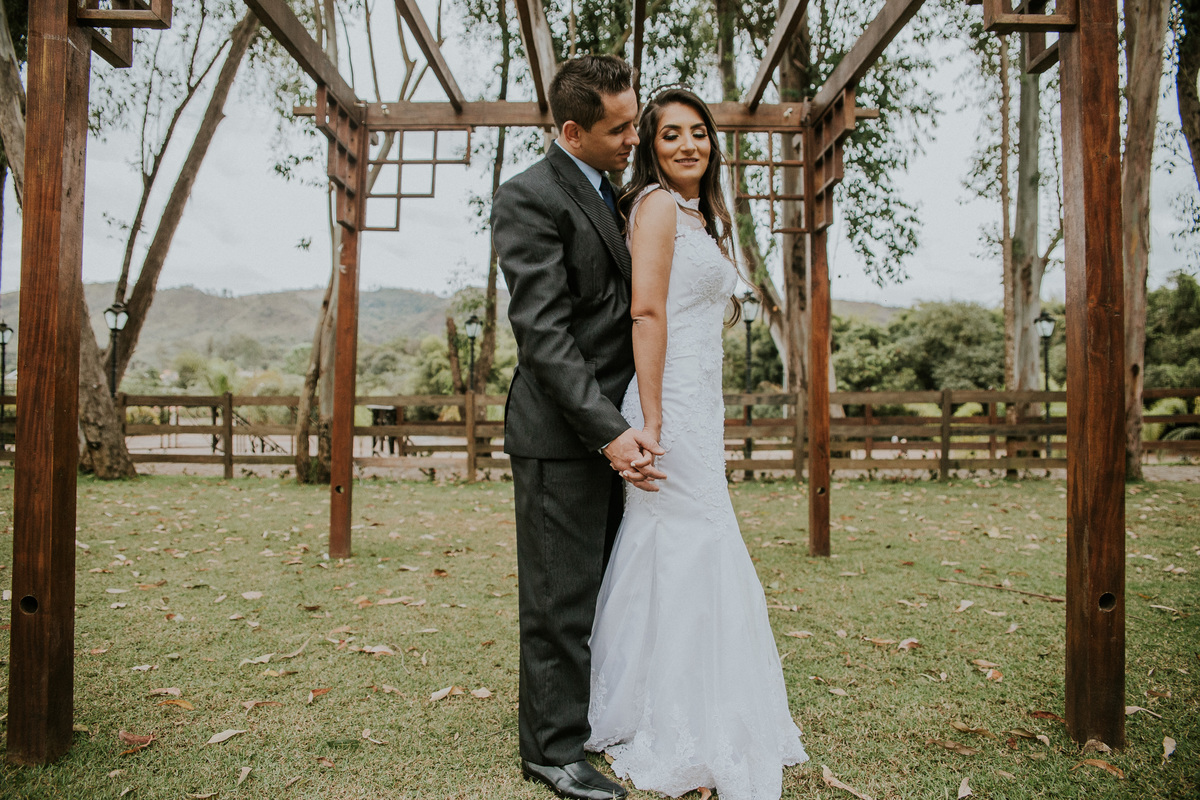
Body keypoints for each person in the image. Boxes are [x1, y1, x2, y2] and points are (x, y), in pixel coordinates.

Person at [584, 88, 809, 799]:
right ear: (651, 145)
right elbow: (645, 312)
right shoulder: (653, 205)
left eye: (700, 133)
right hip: (666, 406)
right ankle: (677, 720)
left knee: (674, 545)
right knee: (690, 545)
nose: (689, 144)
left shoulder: (698, 214)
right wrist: (649, 421)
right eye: (672, 134)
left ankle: (660, 698)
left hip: (694, 403)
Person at [491, 55, 665, 800]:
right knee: (559, 602)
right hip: (561, 438)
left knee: (601, 593)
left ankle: (589, 719)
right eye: (619, 128)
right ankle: (552, 752)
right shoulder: (528, 198)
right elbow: (545, 335)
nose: (636, 137)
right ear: (572, 130)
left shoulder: (613, 193)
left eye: (634, 120)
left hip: (613, 431)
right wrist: (608, 430)